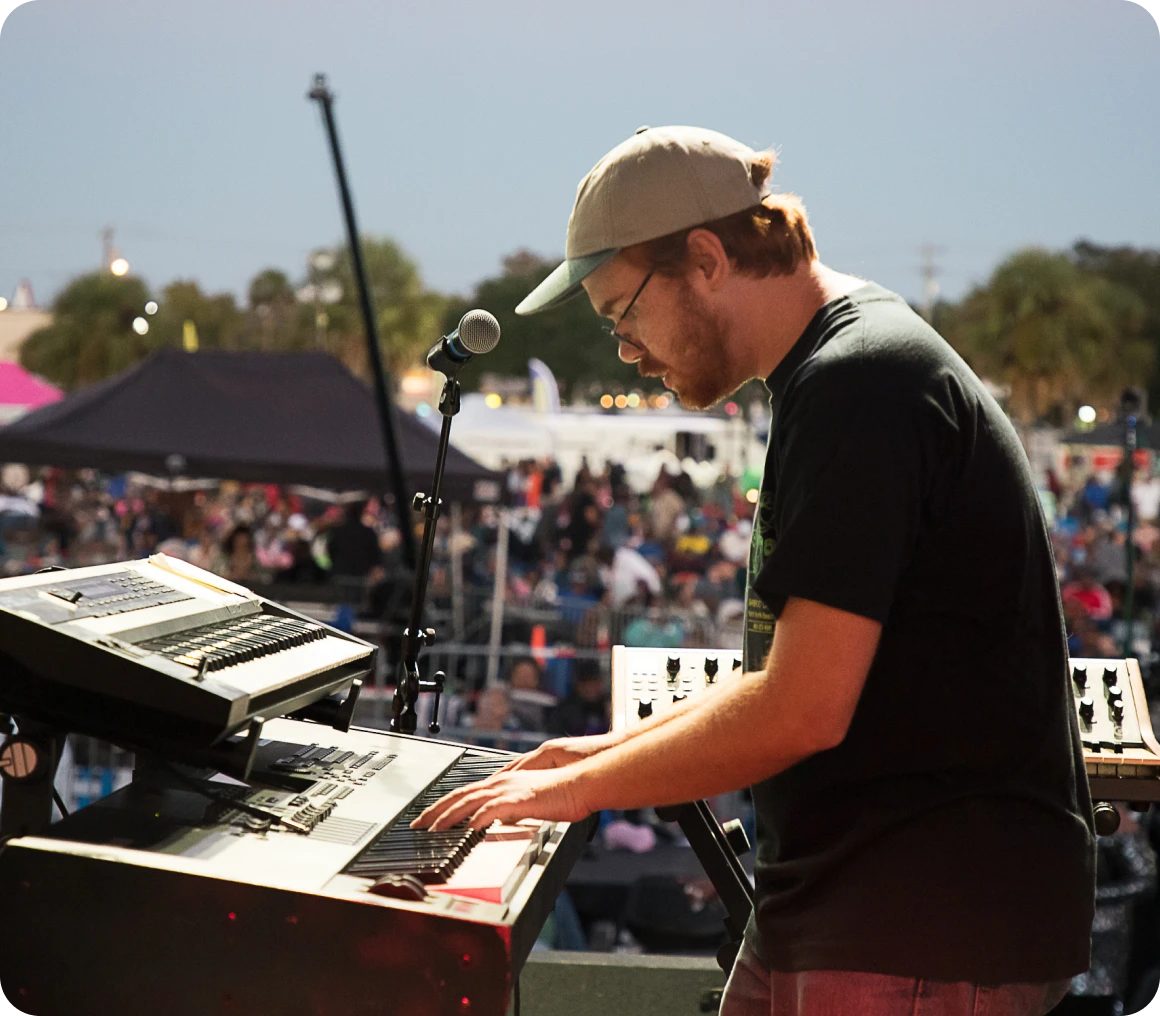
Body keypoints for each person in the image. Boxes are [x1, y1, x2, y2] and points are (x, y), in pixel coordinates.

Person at [413, 125, 1093, 1015]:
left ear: (705, 257)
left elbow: (803, 708)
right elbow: (783, 678)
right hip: (845, 902)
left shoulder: (865, 382)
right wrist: (599, 749)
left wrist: (573, 790)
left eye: (623, 314)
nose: (625, 349)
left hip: (920, 922)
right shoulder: (833, 370)